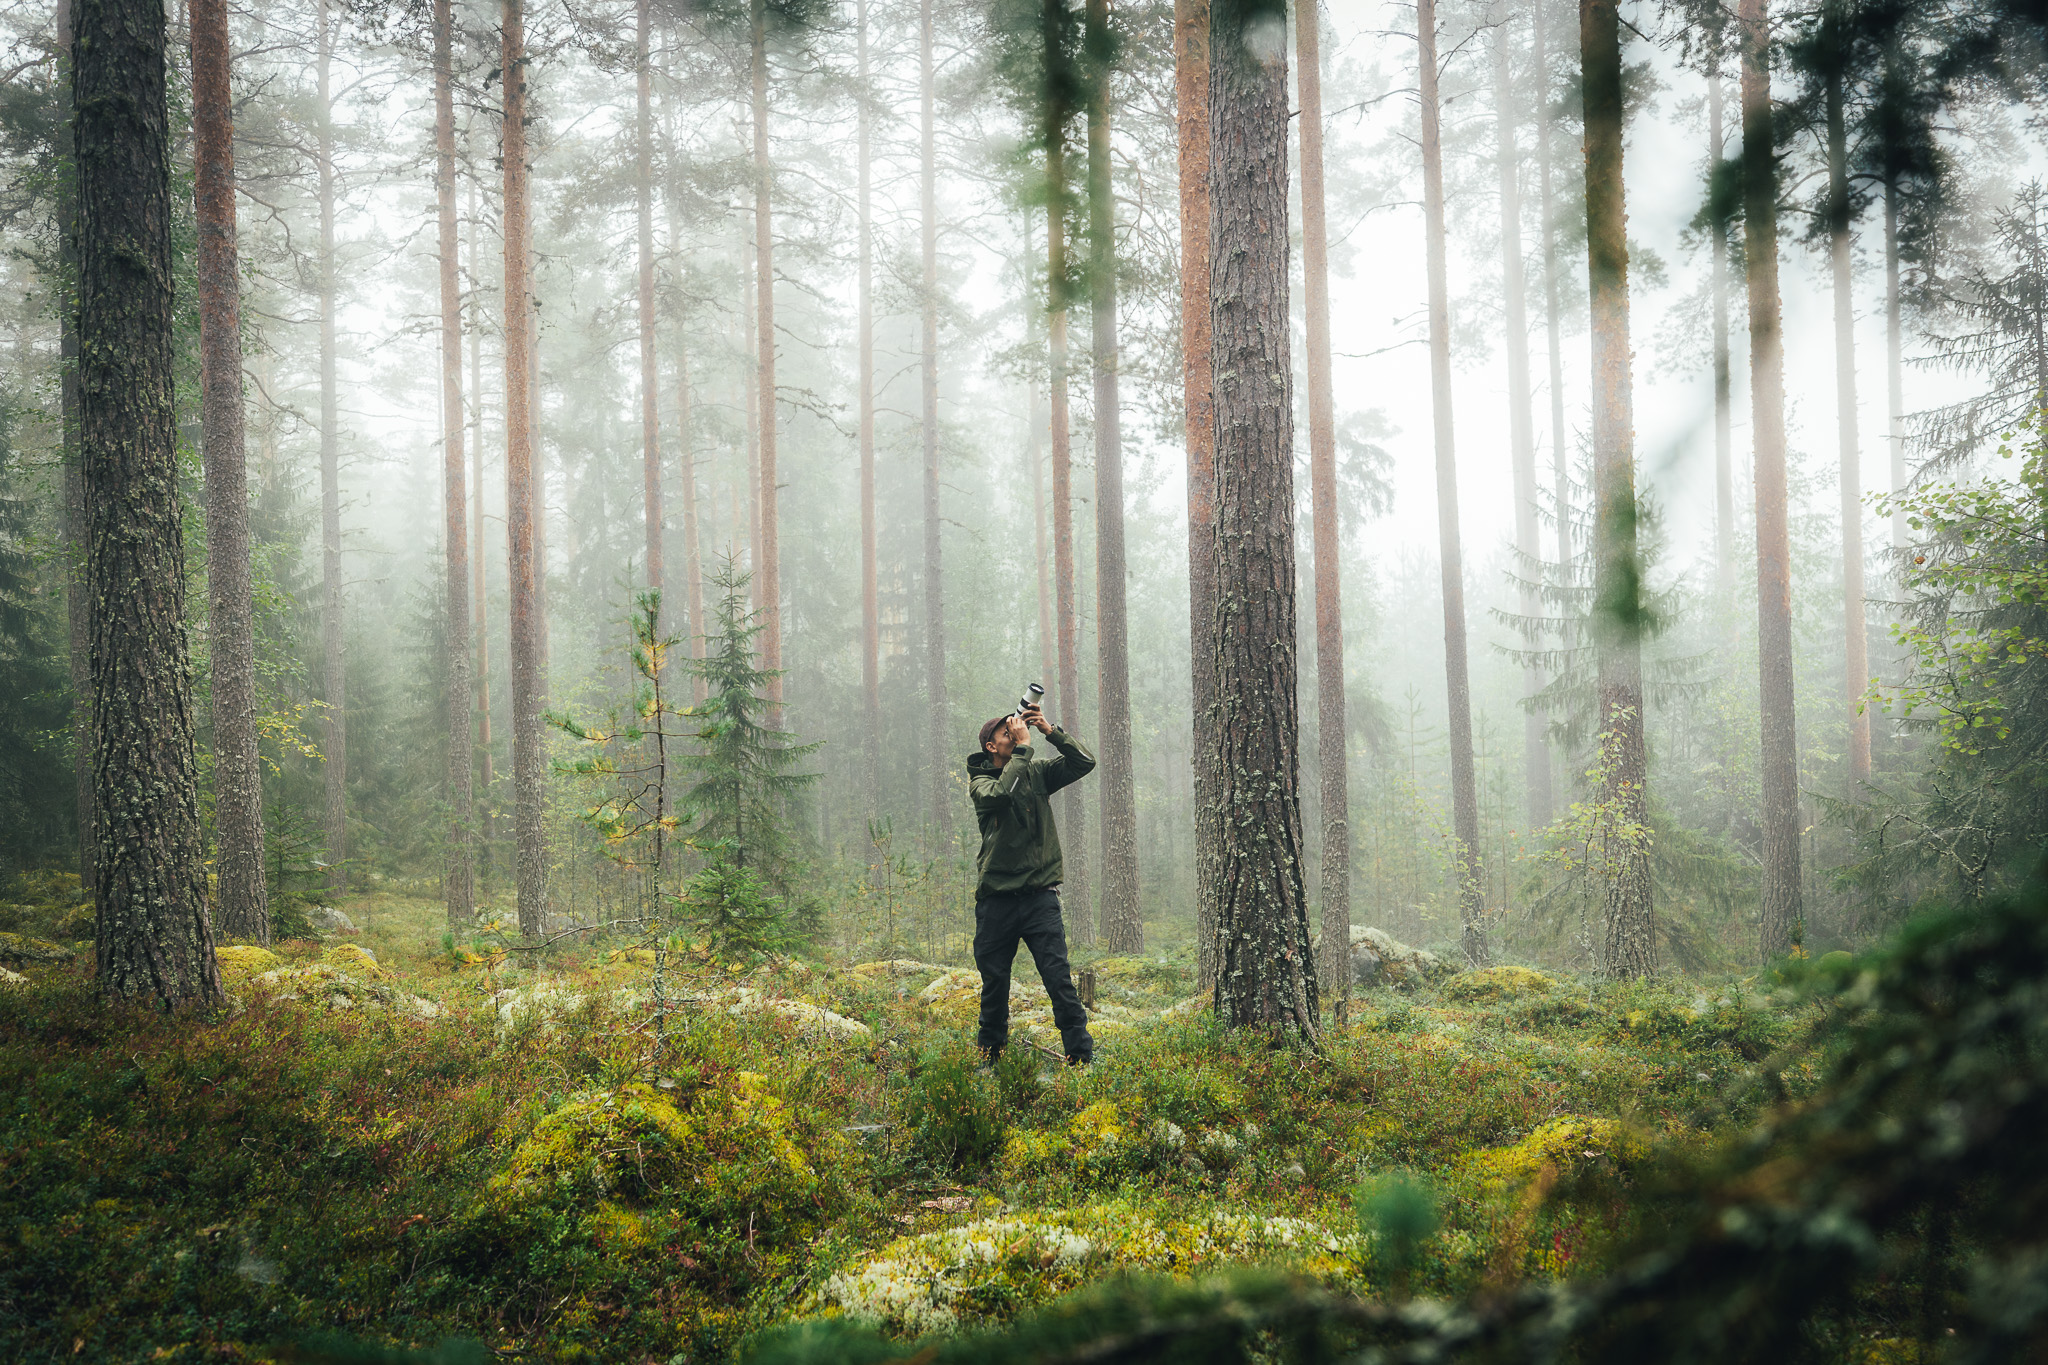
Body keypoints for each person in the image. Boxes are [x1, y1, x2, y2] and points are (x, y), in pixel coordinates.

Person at [965, 700, 1097, 1066]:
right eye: (1007, 733)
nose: (1016, 734)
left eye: (1016, 729)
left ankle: (1081, 1060)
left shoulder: (1036, 772)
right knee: (995, 987)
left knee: (1059, 982)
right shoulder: (980, 782)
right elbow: (1000, 794)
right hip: (996, 902)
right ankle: (990, 1063)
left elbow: (1084, 762)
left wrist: (1049, 731)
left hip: (1040, 898)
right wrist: (1023, 749)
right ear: (992, 747)